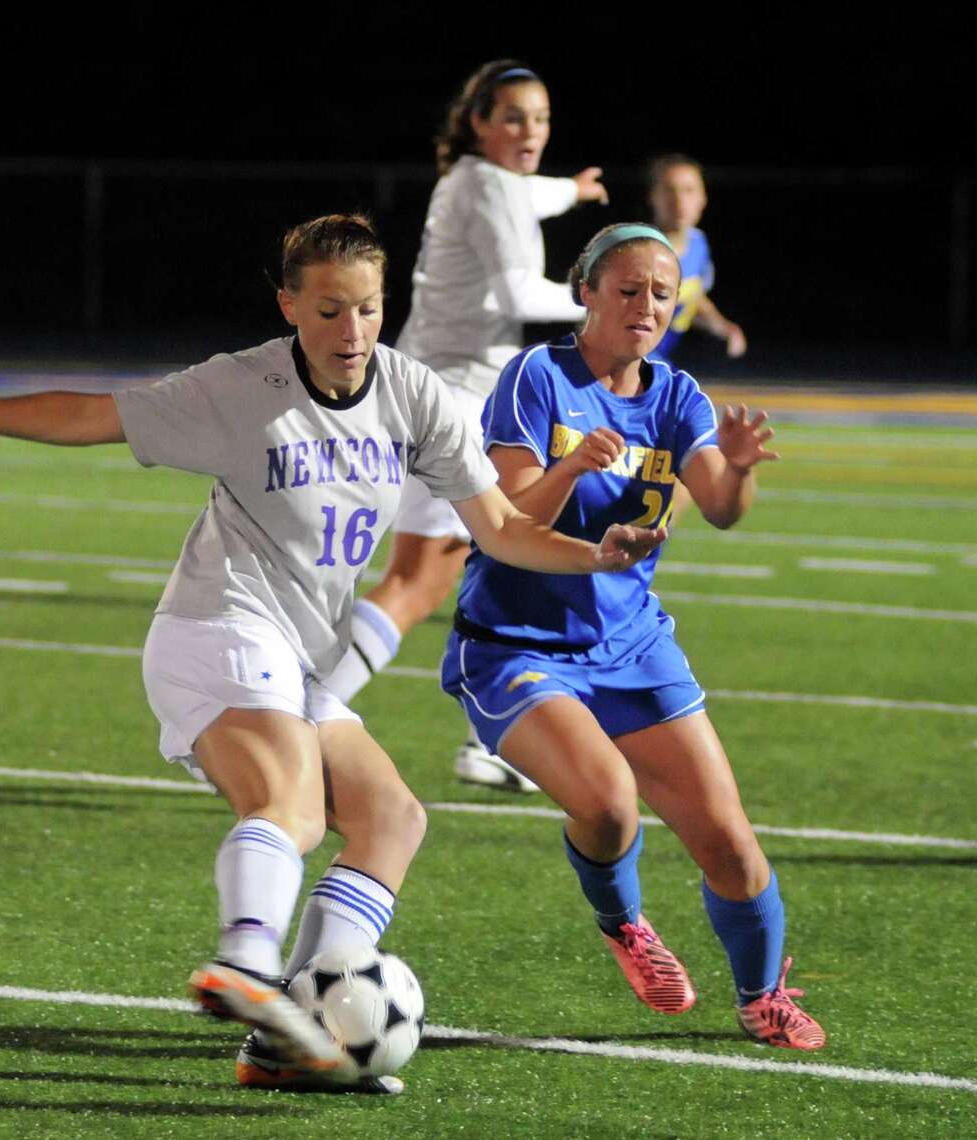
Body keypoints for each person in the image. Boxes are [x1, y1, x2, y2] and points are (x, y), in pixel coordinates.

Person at [0, 214, 669, 1091]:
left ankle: (285, 1039)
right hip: (215, 632)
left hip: (297, 658)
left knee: (392, 818)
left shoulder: (412, 393)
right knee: (290, 808)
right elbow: (92, 414)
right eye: (329, 310)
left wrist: (594, 554)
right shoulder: (241, 389)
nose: (352, 331)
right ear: (288, 306)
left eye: (368, 309)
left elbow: (498, 527)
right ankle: (246, 960)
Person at [440, 222, 826, 1050]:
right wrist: (573, 467)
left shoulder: (677, 395)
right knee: (610, 805)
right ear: (586, 292)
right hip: (516, 643)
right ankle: (625, 923)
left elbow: (720, 509)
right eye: (628, 289)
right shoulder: (538, 377)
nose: (647, 306)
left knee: (730, 844)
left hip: (630, 643)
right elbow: (507, 521)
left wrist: (739, 467)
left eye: (662, 293)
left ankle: (761, 997)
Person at [322, 60, 609, 793]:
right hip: (452, 404)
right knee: (424, 581)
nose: (531, 131)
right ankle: (298, 718)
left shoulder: (483, 181)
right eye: (513, 117)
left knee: (495, 572)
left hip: (442, 397)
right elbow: (517, 292)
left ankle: (493, 740)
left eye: (541, 118)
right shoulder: (486, 185)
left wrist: (572, 191)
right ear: (479, 121)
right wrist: (606, 305)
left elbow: (529, 195)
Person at [648, 153, 747, 364]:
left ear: (703, 198)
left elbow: (692, 297)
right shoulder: (637, 251)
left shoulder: (698, 244)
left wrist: (723, 327)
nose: (679, 200)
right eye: (669, 190)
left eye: (689, 190)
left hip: (658, 360)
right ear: (652, 196)